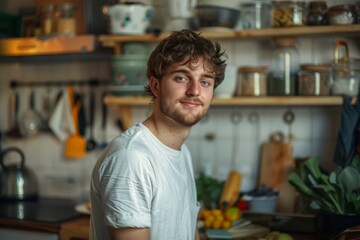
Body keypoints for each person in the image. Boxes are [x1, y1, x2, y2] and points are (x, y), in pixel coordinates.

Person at [89, 29, 227, 240]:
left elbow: (189, 230)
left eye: (205, 81)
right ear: (156, 86)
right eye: (181, 78)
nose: (195, 91)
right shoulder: (131, 158)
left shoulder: (182, 153)